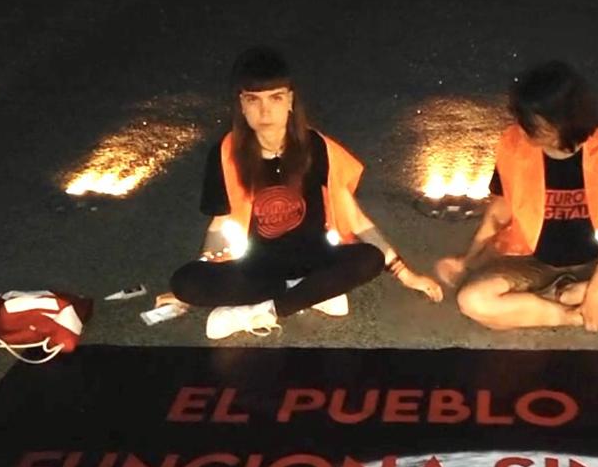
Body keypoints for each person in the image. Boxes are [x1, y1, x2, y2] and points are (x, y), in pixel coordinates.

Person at [171, 47, 442, 338]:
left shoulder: (316, 147)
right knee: (185, 283)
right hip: (258, 269)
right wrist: (203, 271)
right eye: (254, 100)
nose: (265, 111)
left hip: (315, 258)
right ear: (242, 105)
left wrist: (406, 274)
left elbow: (354, 217)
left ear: (290, 100)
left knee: (369, 259)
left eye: (275, 98)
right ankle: (309, 294)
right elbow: (219, 224)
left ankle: (265, 311)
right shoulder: (226, 153)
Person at [435, 60, 598, 332]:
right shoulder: (514, 144)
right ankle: (571, 315)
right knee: (473, 301)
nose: (523, 127)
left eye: (534, 122)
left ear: (564, 120)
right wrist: (468, 259)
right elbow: (499, 214)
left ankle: (572, 296)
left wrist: (594, 291)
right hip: (533, 261)